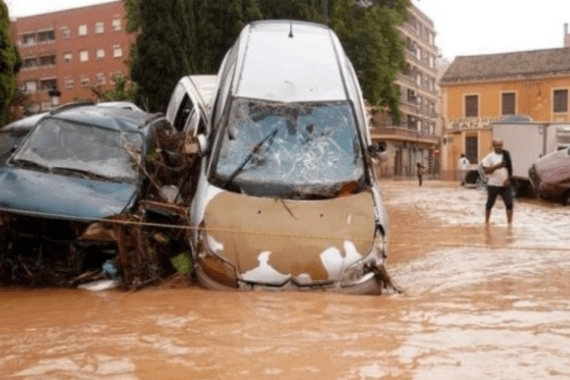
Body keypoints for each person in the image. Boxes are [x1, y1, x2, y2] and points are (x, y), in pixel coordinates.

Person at [480, 138, 513, 224]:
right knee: (489, 204)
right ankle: (486, 222)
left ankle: (510, 224)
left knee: (509, 204)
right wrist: (496, 167)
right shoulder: (489, 157)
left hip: (505, 185)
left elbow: (510, 169)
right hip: (493, 185)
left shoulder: (506, 155)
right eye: (497, 145)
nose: (499, 147)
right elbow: (485, 171)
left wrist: (509, 179)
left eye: (500, 145)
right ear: (493, 146)